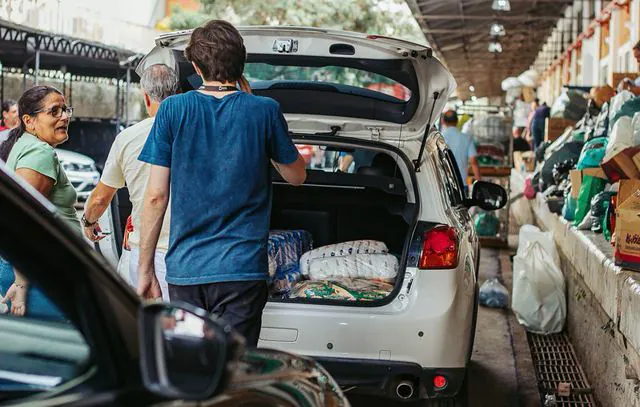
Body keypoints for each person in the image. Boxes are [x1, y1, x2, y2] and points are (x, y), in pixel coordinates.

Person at [136, 20, 306, 347]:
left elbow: (156, 196)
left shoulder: (173, 109)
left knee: (190, 365)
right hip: (242, 271)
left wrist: (145, 269)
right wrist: (261, 127)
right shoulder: (264, 111)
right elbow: (296, 176)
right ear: (241, 64)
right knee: (234, 369)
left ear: (196, 66)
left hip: (186, 269)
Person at [82, 64, 179, 301]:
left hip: (146, 252)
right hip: (189, 253)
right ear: (177, 93)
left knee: (146, 330)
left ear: (146, 96)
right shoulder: (196, 131)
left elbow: (100, 198)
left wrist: (88, 221)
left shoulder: (127, 138)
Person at [0, 86, 77, 318]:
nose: (64, 116)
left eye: (65, 110)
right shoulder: (40, 154)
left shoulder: (24, 144)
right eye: (54, 111)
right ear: (29, 121)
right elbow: (23, 222)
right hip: (38, 276)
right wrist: (22, 284)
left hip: (32, 272)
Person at [440, 110, 481, 190]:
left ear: (443, 122)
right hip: (461, 184)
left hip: (443, 185)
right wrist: (479, 183)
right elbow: (473, 162)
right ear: (457, 121)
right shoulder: (466, 138)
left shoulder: (438, 139)